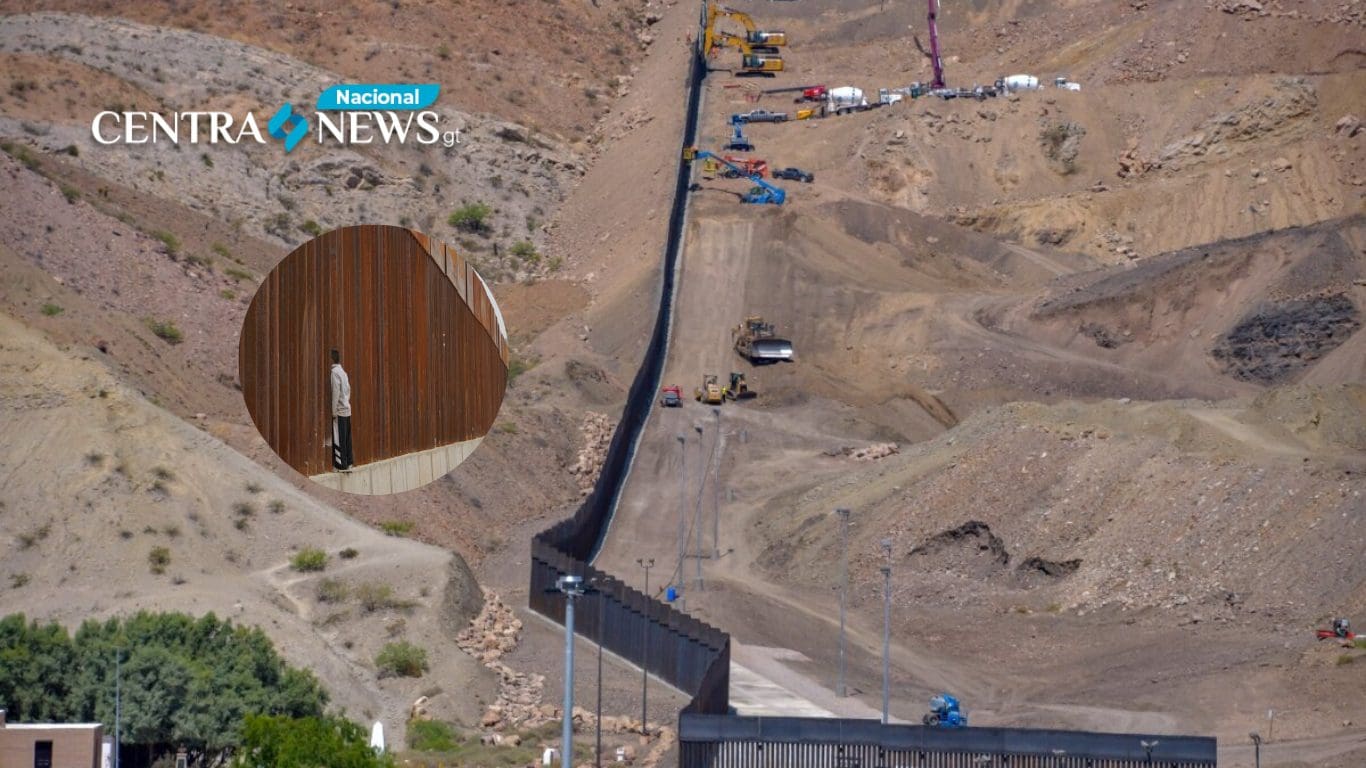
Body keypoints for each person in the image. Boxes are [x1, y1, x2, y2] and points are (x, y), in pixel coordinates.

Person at [330, 349, 354, 471]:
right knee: (347, 438)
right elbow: (348, 389)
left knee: (339, 438)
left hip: (339, 411)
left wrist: (334, 411)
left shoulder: (334, 372)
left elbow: (335, 392)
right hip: (347, 408)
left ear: (331, 359)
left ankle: (341, 465)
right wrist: (346, 401)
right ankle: (349, 463)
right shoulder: (343, 372)